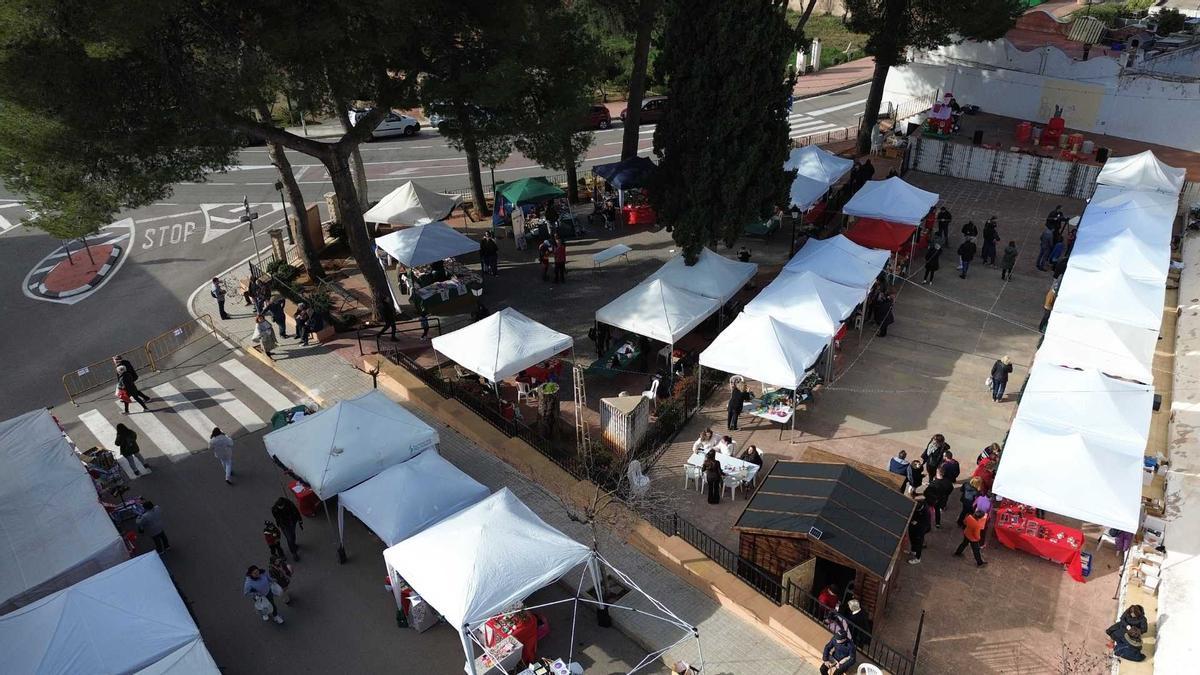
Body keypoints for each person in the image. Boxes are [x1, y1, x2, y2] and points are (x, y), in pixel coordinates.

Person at [272, 496, 304, 561]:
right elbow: (276, 517)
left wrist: (300, 520)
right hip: (284, 525)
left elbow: (296, 511)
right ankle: (294, 553)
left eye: (281, 506)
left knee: (293, 535)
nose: (280, 507)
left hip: (292, 522)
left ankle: (293, 545)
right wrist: (280, 523)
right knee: (289, 538)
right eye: (279, 506)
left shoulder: (289, 504)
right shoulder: (275, 509)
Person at [908, 496, 931, 564]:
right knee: (912, 537)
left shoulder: (926, 511)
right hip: (914, 526)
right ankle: (913, 551)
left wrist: (917, 523)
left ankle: (918, 558)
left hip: (921, 528)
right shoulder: (917, 507)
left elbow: (926, 523)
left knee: (919, 542)